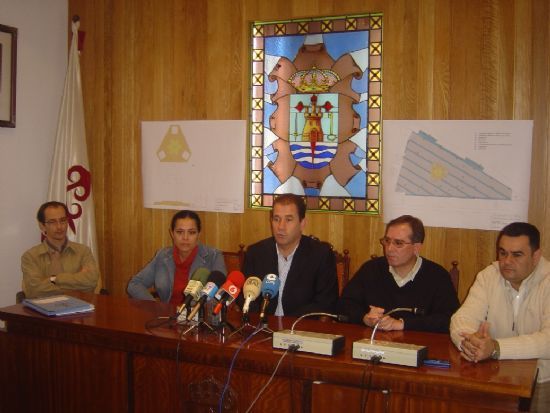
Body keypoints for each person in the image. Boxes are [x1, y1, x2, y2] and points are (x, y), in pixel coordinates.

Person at [450, 222, 550, 412]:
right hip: (495, 377)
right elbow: (462, 319)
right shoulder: (489, 276)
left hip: (544, 381)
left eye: (517, 255)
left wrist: (496, 348)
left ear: (536, 256)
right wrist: (469, 342)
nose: (506, 261)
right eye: (503, 253)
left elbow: (548, 341)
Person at [338, 215, 459, 333]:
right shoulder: (371, 269)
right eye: (387, 241)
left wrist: (402, 324)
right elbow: (345, 303)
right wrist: (364, 318)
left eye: (398, 243)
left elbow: (449, 319)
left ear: (416, 248)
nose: (389, 248)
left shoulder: (437, 276)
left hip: (417, 346)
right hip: (375, 344)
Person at [241, 193, 338, 317]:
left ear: (302, 223)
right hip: (261, 326)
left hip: (301, 329)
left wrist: (287, 325)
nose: (281, 227)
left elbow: (326, 303)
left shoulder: (320, 255)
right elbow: (245, 296)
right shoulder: (256, 253)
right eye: (276, 219)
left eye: (288, 219)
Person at [127, 210, 226, 304]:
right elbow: (134, 284)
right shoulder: (163, 255)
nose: (185, 238)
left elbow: (221, 293)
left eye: (191, 232)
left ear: (198, 234)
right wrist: (155, 306)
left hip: (198, 317)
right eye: (179, 232)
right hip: (166, 316)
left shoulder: (214, 256)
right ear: (172, 233)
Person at [21, 201, 100, 299]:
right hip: (42, 312)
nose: (59, 226)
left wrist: (54, 279)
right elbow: (34, 291)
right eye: (52, 222)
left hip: (79, 309)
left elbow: (91, 282)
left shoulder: (83, 251)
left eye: (63, 220)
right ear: (42, 226)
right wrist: (77, 283)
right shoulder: (30, 256)